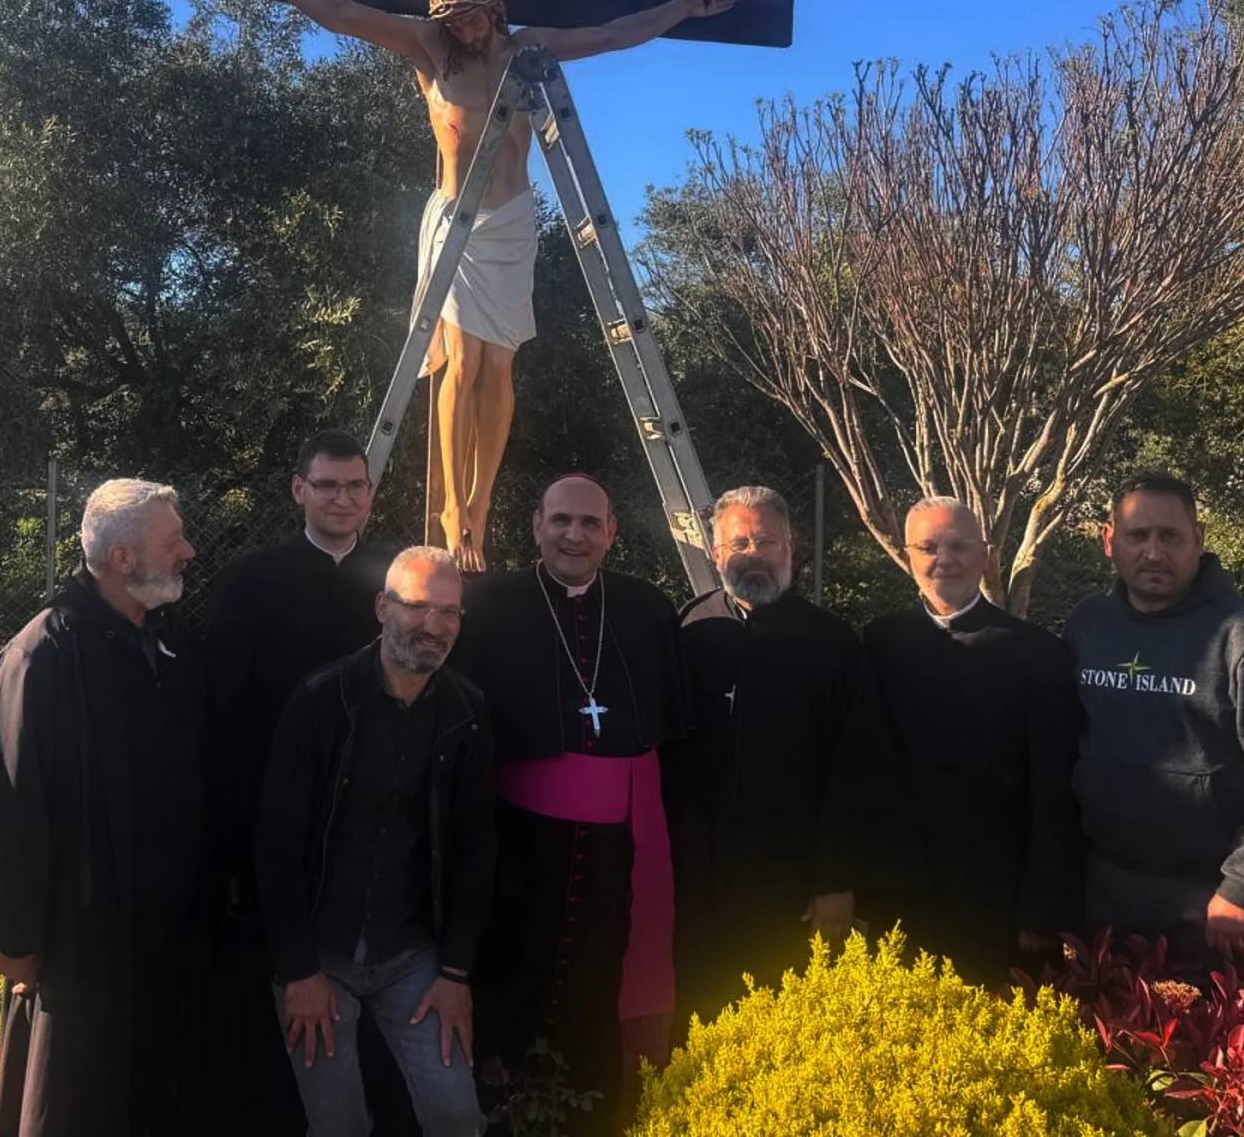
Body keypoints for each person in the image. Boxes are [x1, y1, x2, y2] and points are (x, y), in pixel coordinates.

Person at [198, 0, 738, 571]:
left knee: (499, 367)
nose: (463, 30)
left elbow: (611, 34)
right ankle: (456, 509)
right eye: (451, 20)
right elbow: (341, 12)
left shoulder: (528, 50)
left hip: (511, 223)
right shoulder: (429, 49)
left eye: (472, 18)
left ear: (495, 9)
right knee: (462, 361)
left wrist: (684, 6)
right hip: (457, 223)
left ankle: (480, 503)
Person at [0, 479, 204, 1137]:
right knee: (72, 1100)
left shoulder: (171, 641)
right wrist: (14, 940)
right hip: (81, 943)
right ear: (123, 557)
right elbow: (8, 802)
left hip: (168, 935)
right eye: (172, 540)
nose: (188, 551)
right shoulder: (43, 657)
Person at [453, 474, 684, 1130]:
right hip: (518, 843)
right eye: (560, 521)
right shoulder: (489, 604)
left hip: (616, 851)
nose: (573, 535)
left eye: (589, 523)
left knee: (598, 981)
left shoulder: (646, 607)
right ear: (536, 526)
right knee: (514, 972)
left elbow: (671, 731)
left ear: (611, 532)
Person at [253, 547, 495, 1137]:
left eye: (449, 612)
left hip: (413, 956)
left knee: (457, 1116)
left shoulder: (467, 712)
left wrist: (456, 974)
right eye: (417, 607)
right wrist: (299, 971)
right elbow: (276, 843)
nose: (434, 626)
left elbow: (475, 847)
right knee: (338, 1126)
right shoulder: (321, 699)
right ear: (382, 607)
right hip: (320, 956)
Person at [201, 429, 395, 1133]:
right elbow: (223, 713)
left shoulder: (398, 580)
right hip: (277, 822)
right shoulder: (250, 583)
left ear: (370, 494)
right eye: (327, 486)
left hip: (376, 826)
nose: (342, 499)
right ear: (299, 491)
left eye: (355, 486)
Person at [1068, 472, 1244, 966]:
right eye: (1138, 536)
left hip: (1209, 903)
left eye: (1171, 536)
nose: (1154, 552)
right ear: (1109, 540)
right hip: (1101, 888)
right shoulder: (1087, 625)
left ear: (1199, 538)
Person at [665, 485, 882, 1025]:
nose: (753, 554)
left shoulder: (833, 643)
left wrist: (835, 881)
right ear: (716, 552)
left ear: (790, 547)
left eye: (766, 541)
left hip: (793, 886)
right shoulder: (689, 631)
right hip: (698, 885)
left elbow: (856, 770)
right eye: (739, 543)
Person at [860, 496, 1080, 982]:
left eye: (959, 546)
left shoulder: (1039, 654)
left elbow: (1055, 789)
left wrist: (1043, 905)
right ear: (908, 556)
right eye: (928, 547)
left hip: (999, 901)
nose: (945, 560)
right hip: (902, 896)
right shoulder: (878, 644)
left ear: (985, 555)